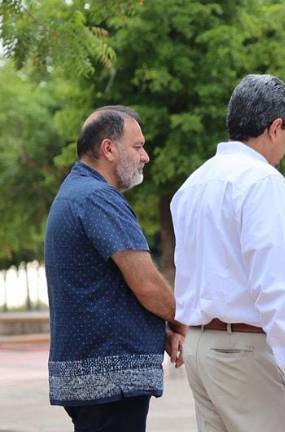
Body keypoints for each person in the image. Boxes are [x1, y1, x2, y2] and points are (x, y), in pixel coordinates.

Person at [171, 74, 285, 432]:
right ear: (275, 127)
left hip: (200, 347)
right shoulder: (262, 182)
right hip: (244, 353)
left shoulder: (194, 184)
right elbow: (276, 288)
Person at [45, 105, 186, 432]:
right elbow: (146, 283)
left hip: (93, 381)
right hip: (109, 383)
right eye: (137, 146)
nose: (146, 156)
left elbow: (103, 289)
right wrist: (183, 319)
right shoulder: (97, 198)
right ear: (108, 148)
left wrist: (159, 331)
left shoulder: (75, 193)